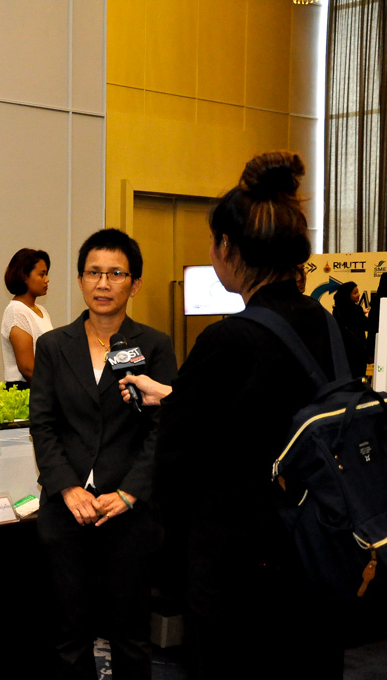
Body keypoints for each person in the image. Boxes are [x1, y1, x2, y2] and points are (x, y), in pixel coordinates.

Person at [136, 151, 344, 679]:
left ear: (227, 247)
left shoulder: (228, 340)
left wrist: (170, 565)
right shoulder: (331, 325)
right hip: (320, 556)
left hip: (240, 575)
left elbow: (176, 469)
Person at [30, 229, 177, 680]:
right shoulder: (54, 346)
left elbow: (162, 428)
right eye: (93, 272)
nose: (103, 283)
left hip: (129, 512)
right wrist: (66, 487)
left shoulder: (154, 345)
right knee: (68, 633)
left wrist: (130, 493)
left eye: (116, 274)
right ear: (80, 280)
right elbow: (43, 424)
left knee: (130, 635)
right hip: (67, 509)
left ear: (134, 284)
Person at [1, 248, 53, 388]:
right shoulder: (16, 311)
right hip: (24, 388)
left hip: (41, 385)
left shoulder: (42, 310)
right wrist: (56, 389)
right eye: (41, 274)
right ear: (24, 277)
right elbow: (27, 369)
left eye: (46, 274)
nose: (47, 279)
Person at [333, 281, 368, 378]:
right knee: (359, 377)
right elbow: (366, 325)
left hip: (343, 351)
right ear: (347, 295)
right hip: (358, 351)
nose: (359, 294)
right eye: (355, 293)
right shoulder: (357, 309)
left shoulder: (336, 311)